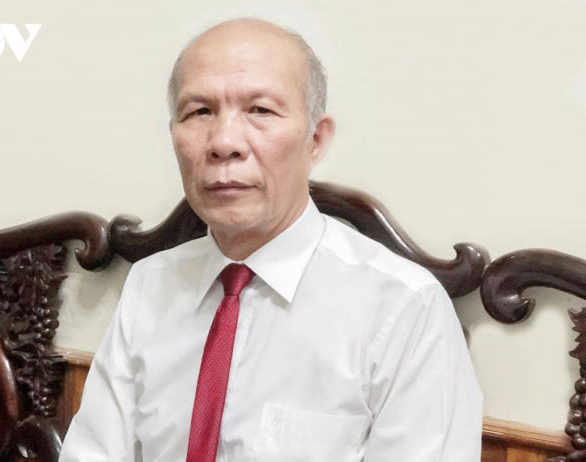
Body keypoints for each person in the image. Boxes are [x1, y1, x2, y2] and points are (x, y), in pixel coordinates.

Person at [59, 18, 482, 462]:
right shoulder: (150, 284)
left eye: (260, 110)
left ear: (316, 139)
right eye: (199, 112)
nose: (224, 142)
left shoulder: (404, 308)